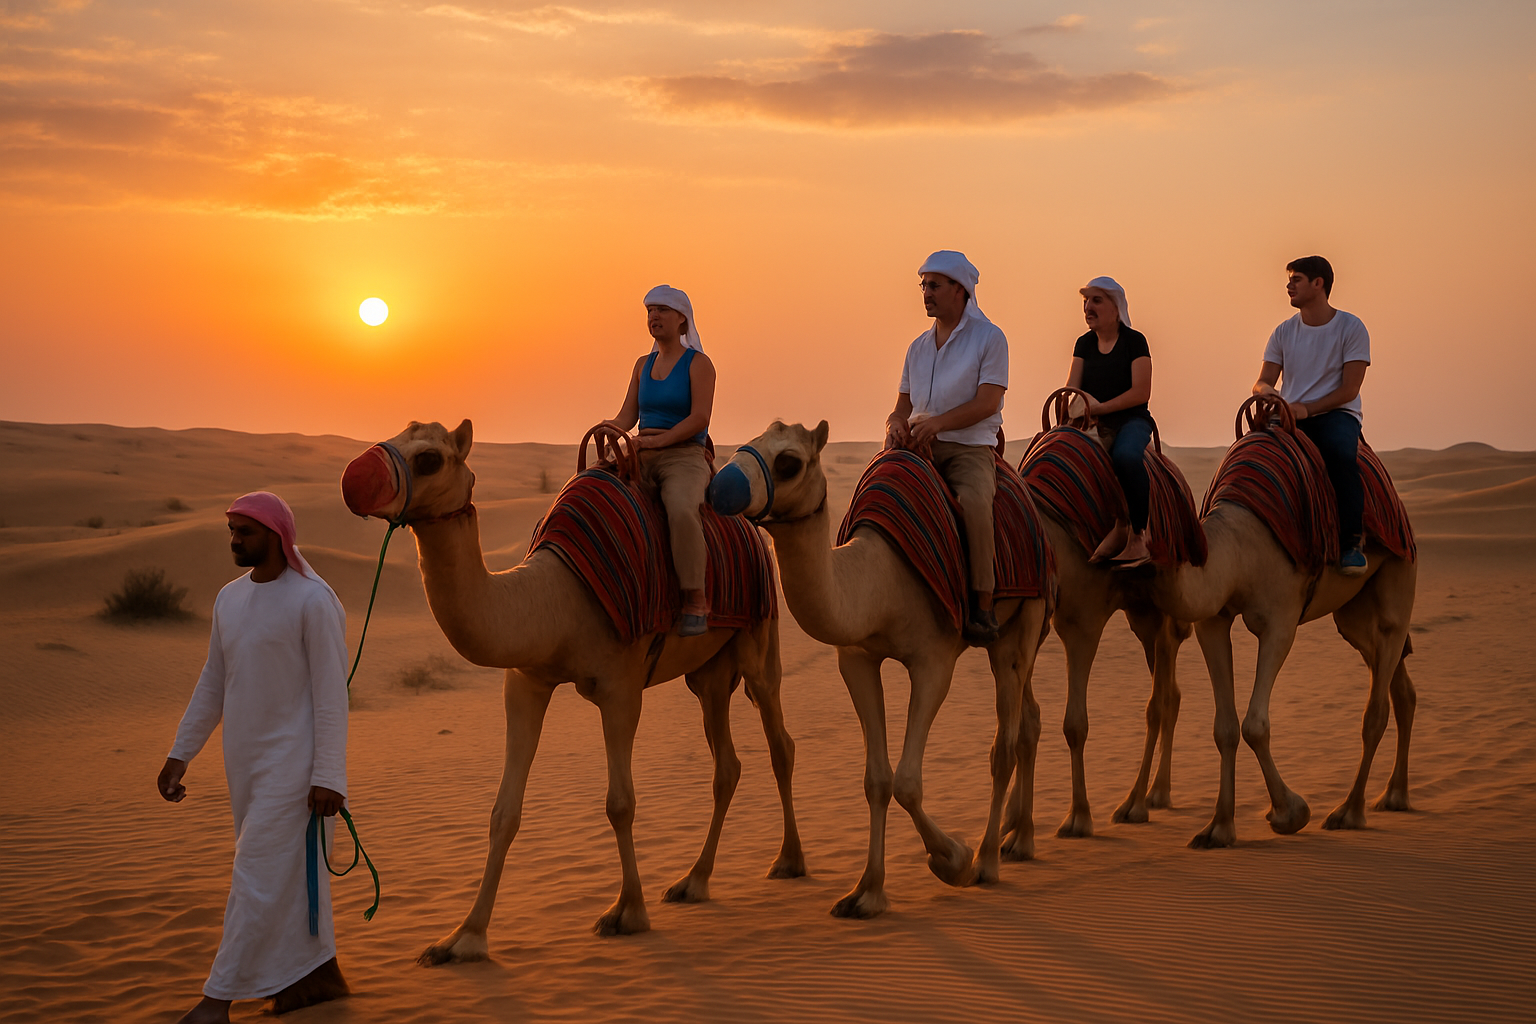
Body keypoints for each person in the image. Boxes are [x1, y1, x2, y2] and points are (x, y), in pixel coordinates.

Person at [157, 492, 350, 1023]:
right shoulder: (229, 599)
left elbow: (332, 695)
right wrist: (181, 752)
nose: (236, 540)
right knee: (280, 878)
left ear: (277, 535)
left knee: (255, 876)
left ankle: (216, 1002)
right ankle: (312, 983)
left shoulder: (313, 600)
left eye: (246, 531)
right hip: (244, 765)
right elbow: (213, 681)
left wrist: (329, 775)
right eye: (232, 531)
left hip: (298, 769)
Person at [885, 250, 1009, 645]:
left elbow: (988, 402)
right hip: (917, 448)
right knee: (875, 495)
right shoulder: (917, 347)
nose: (926, 292)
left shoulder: (990, 338)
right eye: (923, 285)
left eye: (934, 285)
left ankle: (984, 603)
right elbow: (903, 405)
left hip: (967, 449)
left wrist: (938, 423)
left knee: (974, 502)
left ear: (960, 289)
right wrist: (894, 423)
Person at [602, 285, 718, 636]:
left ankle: (695, 598)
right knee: (591, 491)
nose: (654, 316)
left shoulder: (699, 364)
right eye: (650, 310)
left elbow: (699, 419)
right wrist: (608, 430)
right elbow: (627, 415)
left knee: (681, 509)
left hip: (684, 456)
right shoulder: (642, 365)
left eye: (662, 310)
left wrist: (658, 440)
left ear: (682, 318)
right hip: (641, 453)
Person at [1253, 255, 1371, 575]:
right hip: (1290, 414)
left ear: (1318, 284)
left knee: (1339, 454)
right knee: (1250, 456)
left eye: (1296, 279)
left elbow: (1349, 390)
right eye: (1290, 279)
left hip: (1337, 414)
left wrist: (1308, 408)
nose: (1288, 285)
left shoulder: (1351, 327)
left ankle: (1351, 543)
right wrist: (1269, 394)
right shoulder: (1283, 332)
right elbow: (1263, 379)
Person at [1066, 276, 1156, 567]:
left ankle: (1136, 534)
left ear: (1116, 308)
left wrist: (1100, 408)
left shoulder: (1134, 341)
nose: (1088, 308)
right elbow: (1072, 389)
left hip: (1131, 420)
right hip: (1091, 423)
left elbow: (1140, 392)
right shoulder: (1083, 344)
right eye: (1086, 302)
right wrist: (1071, 412)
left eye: (1096, 300)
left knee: (1126, 457)